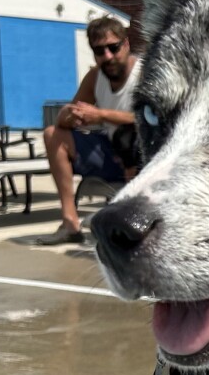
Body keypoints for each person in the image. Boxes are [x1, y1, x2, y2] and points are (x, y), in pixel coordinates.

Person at [37, 16, 141, 244]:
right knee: (52, 134)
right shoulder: (95, 76)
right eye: (99, 51)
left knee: (130, 135)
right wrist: (70, 115)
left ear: (126, 44)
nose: (108, 57)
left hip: (143, 155)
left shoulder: (144, 74)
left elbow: (151, 118)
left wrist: (101, 115)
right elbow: (69, 117)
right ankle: (70, 223)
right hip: (110, 151)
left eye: (113, 48)